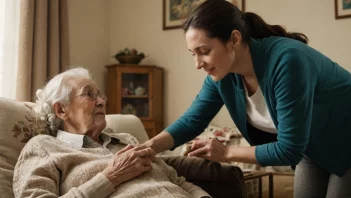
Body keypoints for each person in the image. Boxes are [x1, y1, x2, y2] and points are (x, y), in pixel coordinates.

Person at [143, 0, 351, 197]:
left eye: (204, 51)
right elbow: (192, 121)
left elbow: (288, 150)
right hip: (313, 147)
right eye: (193, 54)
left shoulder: (287, 60)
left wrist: (225, 152)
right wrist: (147, 147)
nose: (198, 63)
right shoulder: (223, 75)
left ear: (234, 39)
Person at [13, 67, 211, 198]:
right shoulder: (44, 147)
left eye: (100, 95)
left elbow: (177, 181)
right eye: (89, 94)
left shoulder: (126, 140)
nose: (101, 101)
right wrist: (111, 176)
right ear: (61, 110)